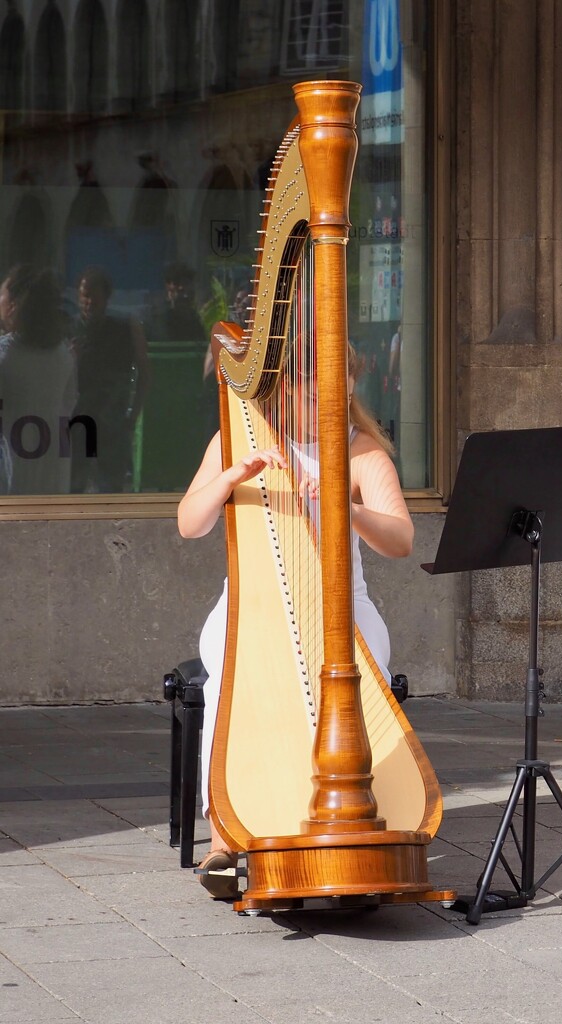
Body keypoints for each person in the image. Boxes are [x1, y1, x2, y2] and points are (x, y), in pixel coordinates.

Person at [177, 343, 413, 898]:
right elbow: (190, 523)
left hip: (344, 606)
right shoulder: (237, 441)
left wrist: (343, 506)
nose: (334, 399)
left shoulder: (362, 454)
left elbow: (401, 541)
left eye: (343, 388)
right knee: (229, 683)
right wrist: (233, 474)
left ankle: (352, 820)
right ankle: (224, 838)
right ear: (282, 386)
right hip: (251, 603)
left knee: (357, 674)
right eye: (316, 389)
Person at [70, 266, 150, 492]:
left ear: (106, 298)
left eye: (95, 297)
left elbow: (144, 373)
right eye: (85, 296)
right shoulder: (70, 328)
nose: (89, 303)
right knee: (74, 486)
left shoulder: (126, 327)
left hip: (113, 422)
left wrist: (133, 416)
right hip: (78, 422)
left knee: (111, 488)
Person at [0, 265, 77, 495]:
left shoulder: (5, 354)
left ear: (13, 303)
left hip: (14, 472)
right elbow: (69, 403)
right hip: (54, 468)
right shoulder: (64, 353)